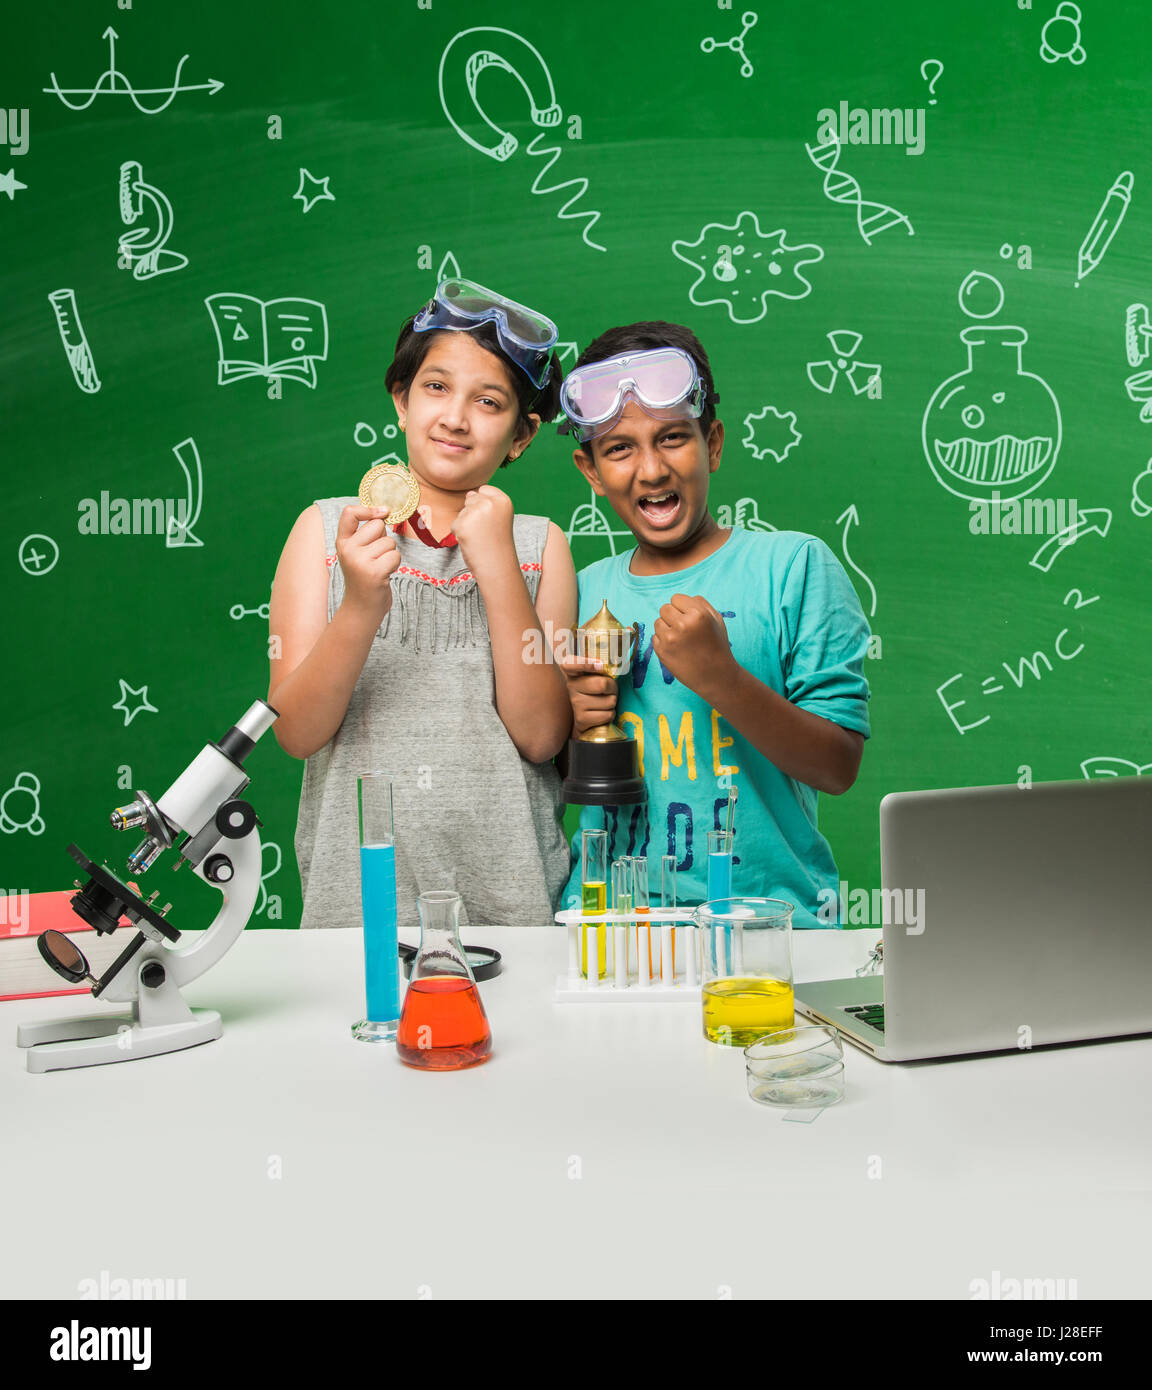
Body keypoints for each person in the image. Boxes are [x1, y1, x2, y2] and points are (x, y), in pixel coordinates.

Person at [268, 279, 576, 930]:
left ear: (521, 436)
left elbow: (542, 735)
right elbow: (296, 732)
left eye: (488, 401)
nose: (456, 417)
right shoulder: (324, 534)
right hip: (360, 908)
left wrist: (497, 569)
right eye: (436, 388)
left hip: (508, 907)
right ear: (401, 402)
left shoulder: (540, 545)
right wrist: (358, 605)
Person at [557, 322, 871, 928]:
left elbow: (837, 767)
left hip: (770, 924)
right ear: (591, 471)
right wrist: (570, 727)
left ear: (714, 444)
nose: (651, 470)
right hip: (610, 928)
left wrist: (722, 677)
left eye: (673, 438)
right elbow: (557, 779)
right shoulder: (578, 590)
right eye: (620, 448)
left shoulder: (794, 567)